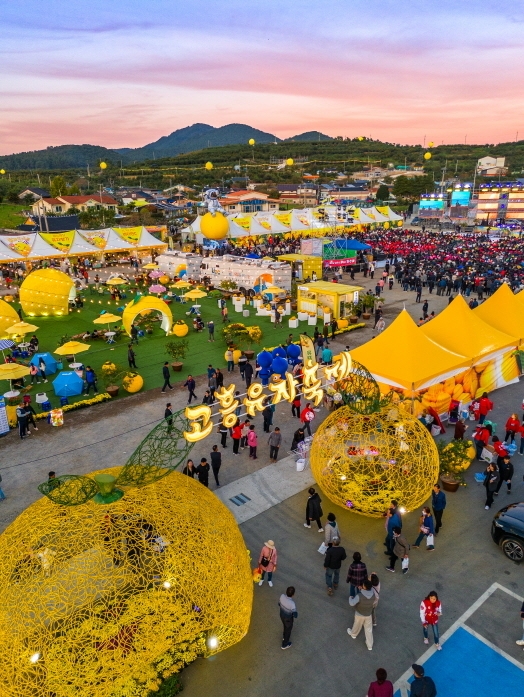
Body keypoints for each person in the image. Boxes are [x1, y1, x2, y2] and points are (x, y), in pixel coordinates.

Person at [347, 578, 377, 650]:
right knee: (369, 630)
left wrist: (350, 598)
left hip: (359, 613)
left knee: (357, 625)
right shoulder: (373, 595)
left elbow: (352, 603)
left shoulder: (359, 596)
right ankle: (369, 645)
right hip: (368, 614)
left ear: (365, 587)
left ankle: (353, 634)